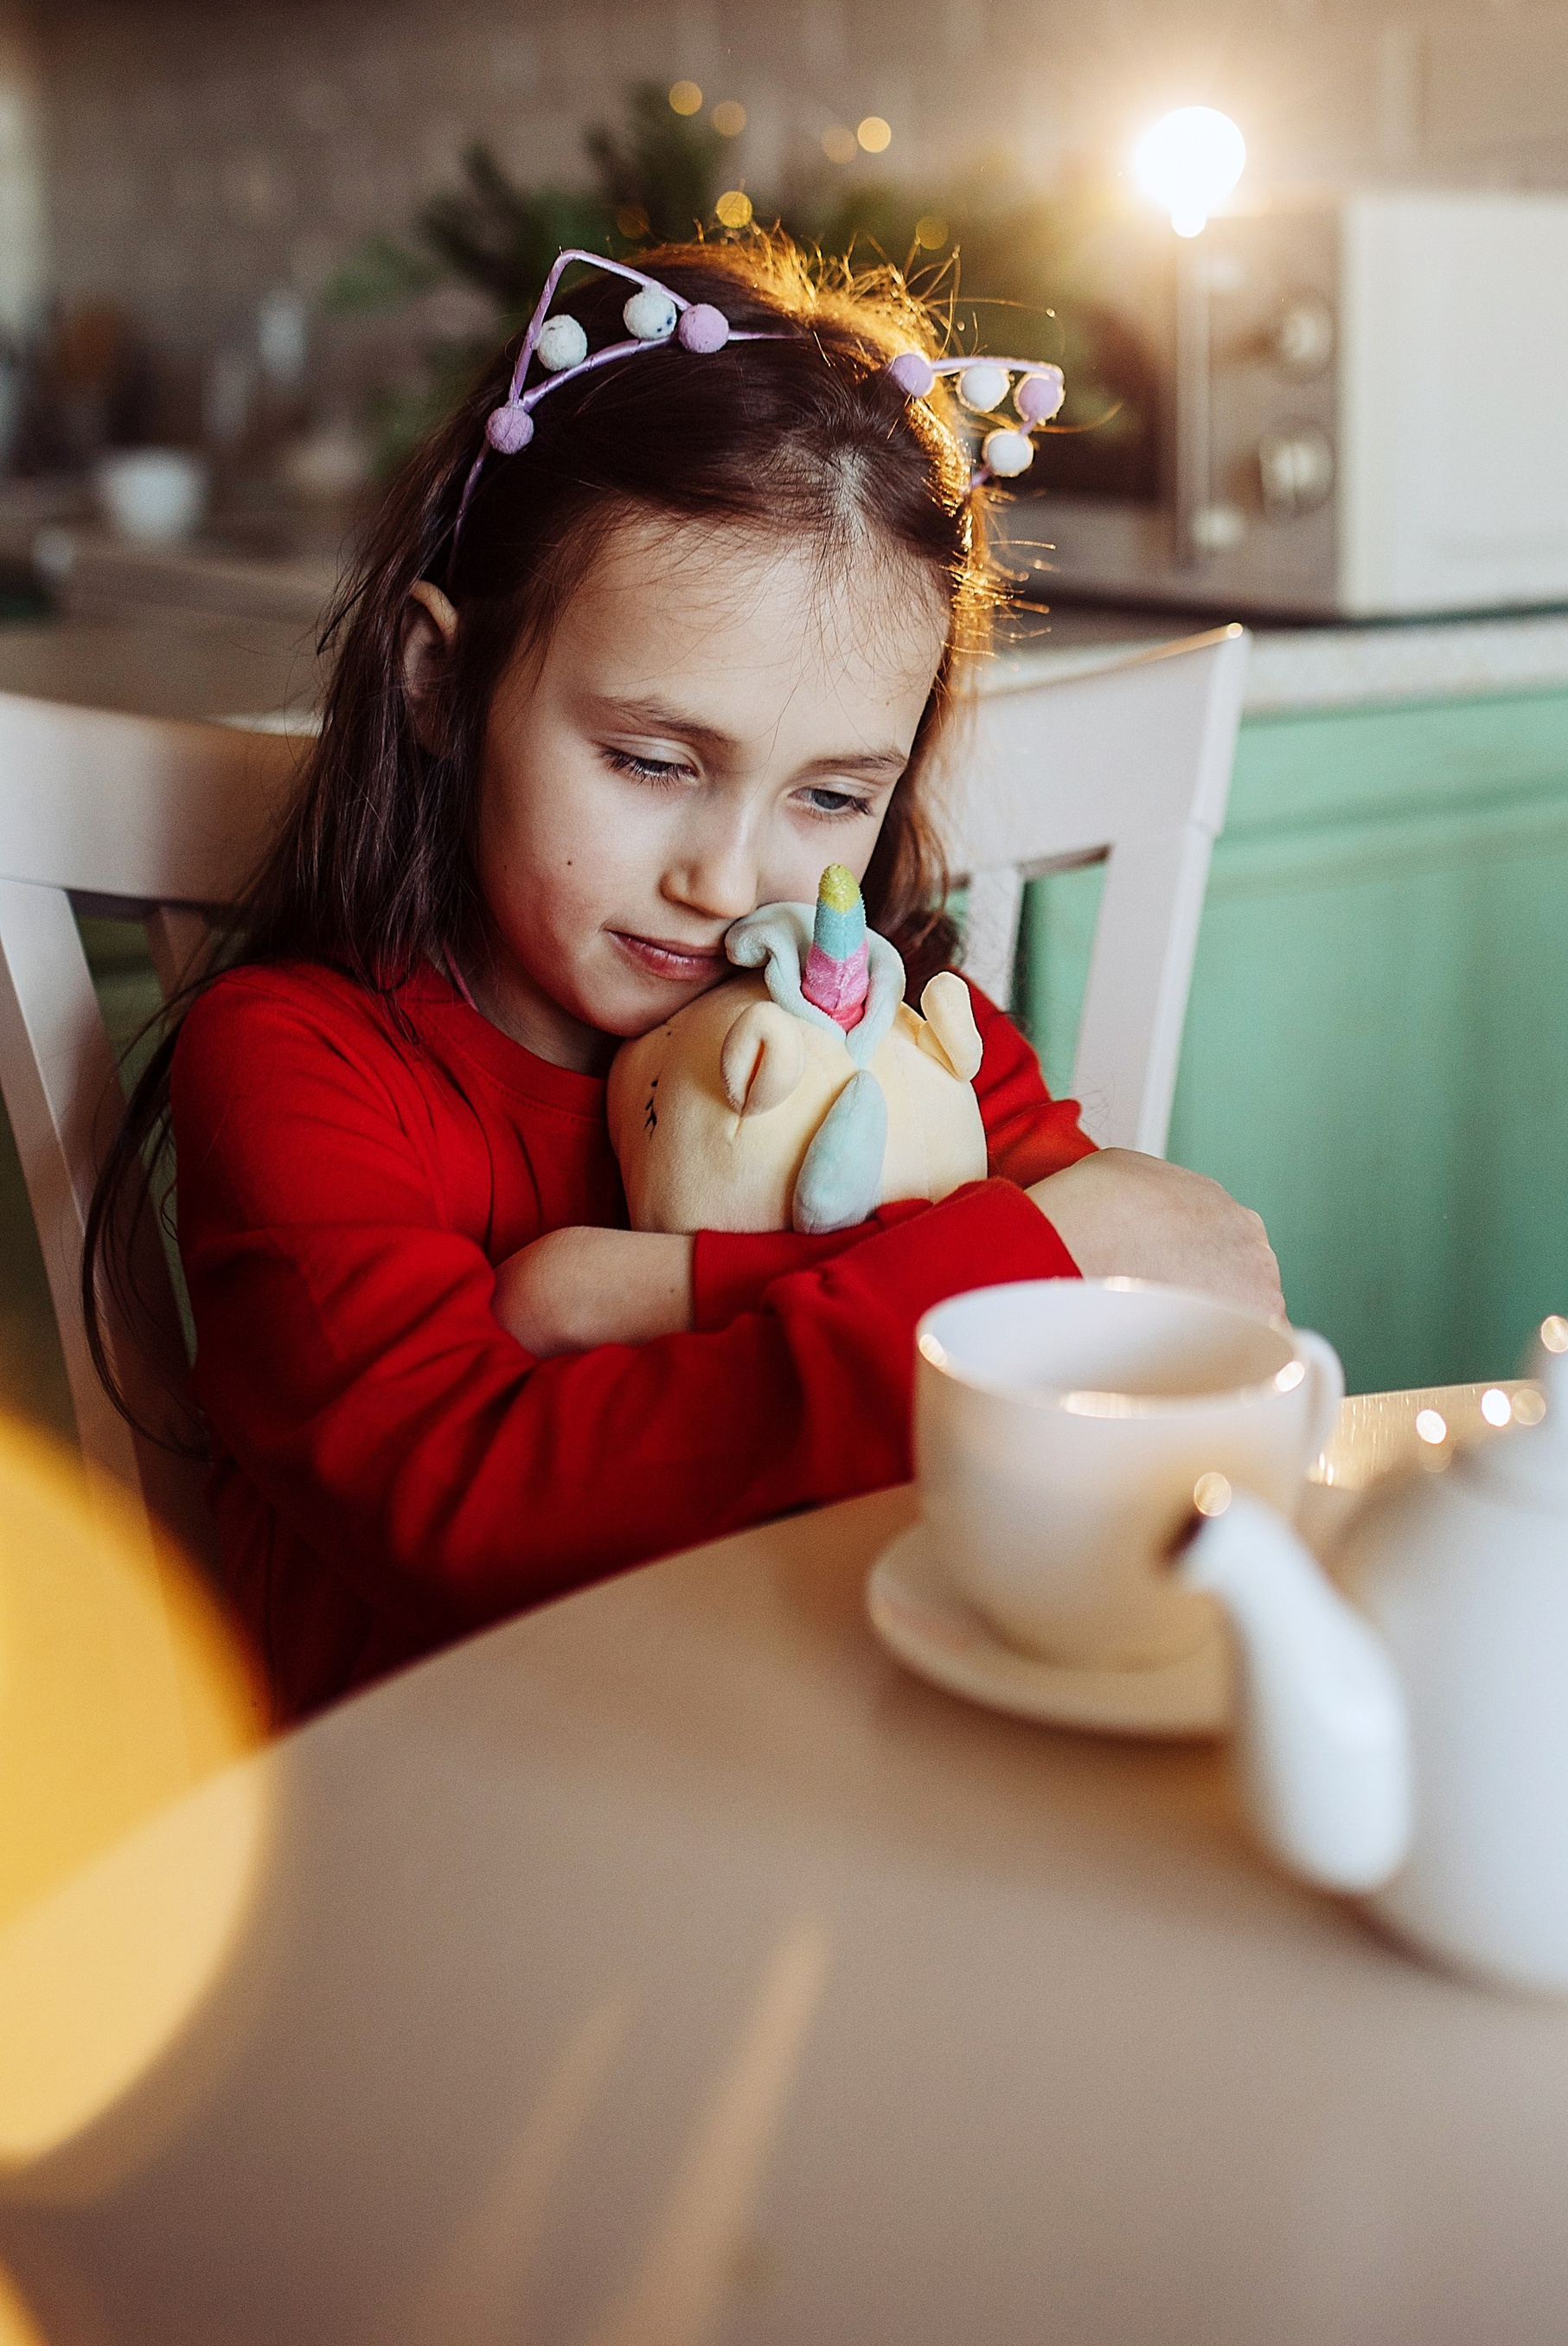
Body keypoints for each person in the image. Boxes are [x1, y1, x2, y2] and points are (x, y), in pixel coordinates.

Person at [88, 235, 1279, 1722]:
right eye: (654, 762)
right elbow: (472, 1510)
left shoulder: (909, 1042)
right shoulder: (300, 1063)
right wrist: (1004, 1260)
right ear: (439, 682)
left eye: (833, 796)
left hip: (829, 1772)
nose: (727, 879)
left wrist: (640, 1293)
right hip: (441, 1832)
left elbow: (1140, 1315)